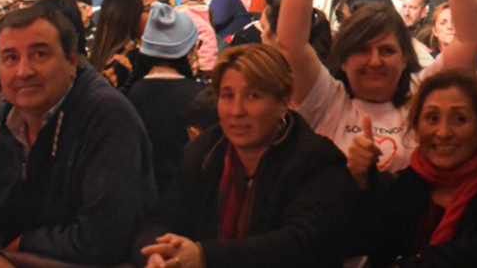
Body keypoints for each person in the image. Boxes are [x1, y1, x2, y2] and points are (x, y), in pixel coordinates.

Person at [0, 2, 157, 268]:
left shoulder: (107, 117)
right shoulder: (0, 122)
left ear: (71, 61)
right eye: (10, 57)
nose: (24, 71)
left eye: (39, 54)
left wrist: (26, 243)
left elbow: (102, 238)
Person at [279, 0, 477, 179]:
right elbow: (291, 43)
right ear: (344, 59)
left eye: (387, 51)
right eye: (362, 50)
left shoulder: (421, 94)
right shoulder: (326, 99)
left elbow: (469, 41)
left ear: (403, 59)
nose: (375, 61)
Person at [133, 44, 355, 268]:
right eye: (227, 96)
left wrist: (205, 256)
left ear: (283, 101)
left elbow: (300, 243)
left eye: (253, 96)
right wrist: (158, 254)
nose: (237, 111)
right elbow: (159, 219)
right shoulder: (204, 152)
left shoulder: (315, 159)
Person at [355, 70, 477, 268]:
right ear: (415, 128)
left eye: (459, 119)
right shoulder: (399, 188)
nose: (443, 132)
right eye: (432, 118)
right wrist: (361, 181)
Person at [126, 3, 207, 192]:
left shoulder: (133, 92)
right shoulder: (199, 96)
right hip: (188, 198)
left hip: (143, 197)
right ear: (188, 50)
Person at [90, 0, 161, 90]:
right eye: (148, 10)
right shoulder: (121, 63)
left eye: (160, 7)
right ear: (125, 16)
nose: (159, 15)